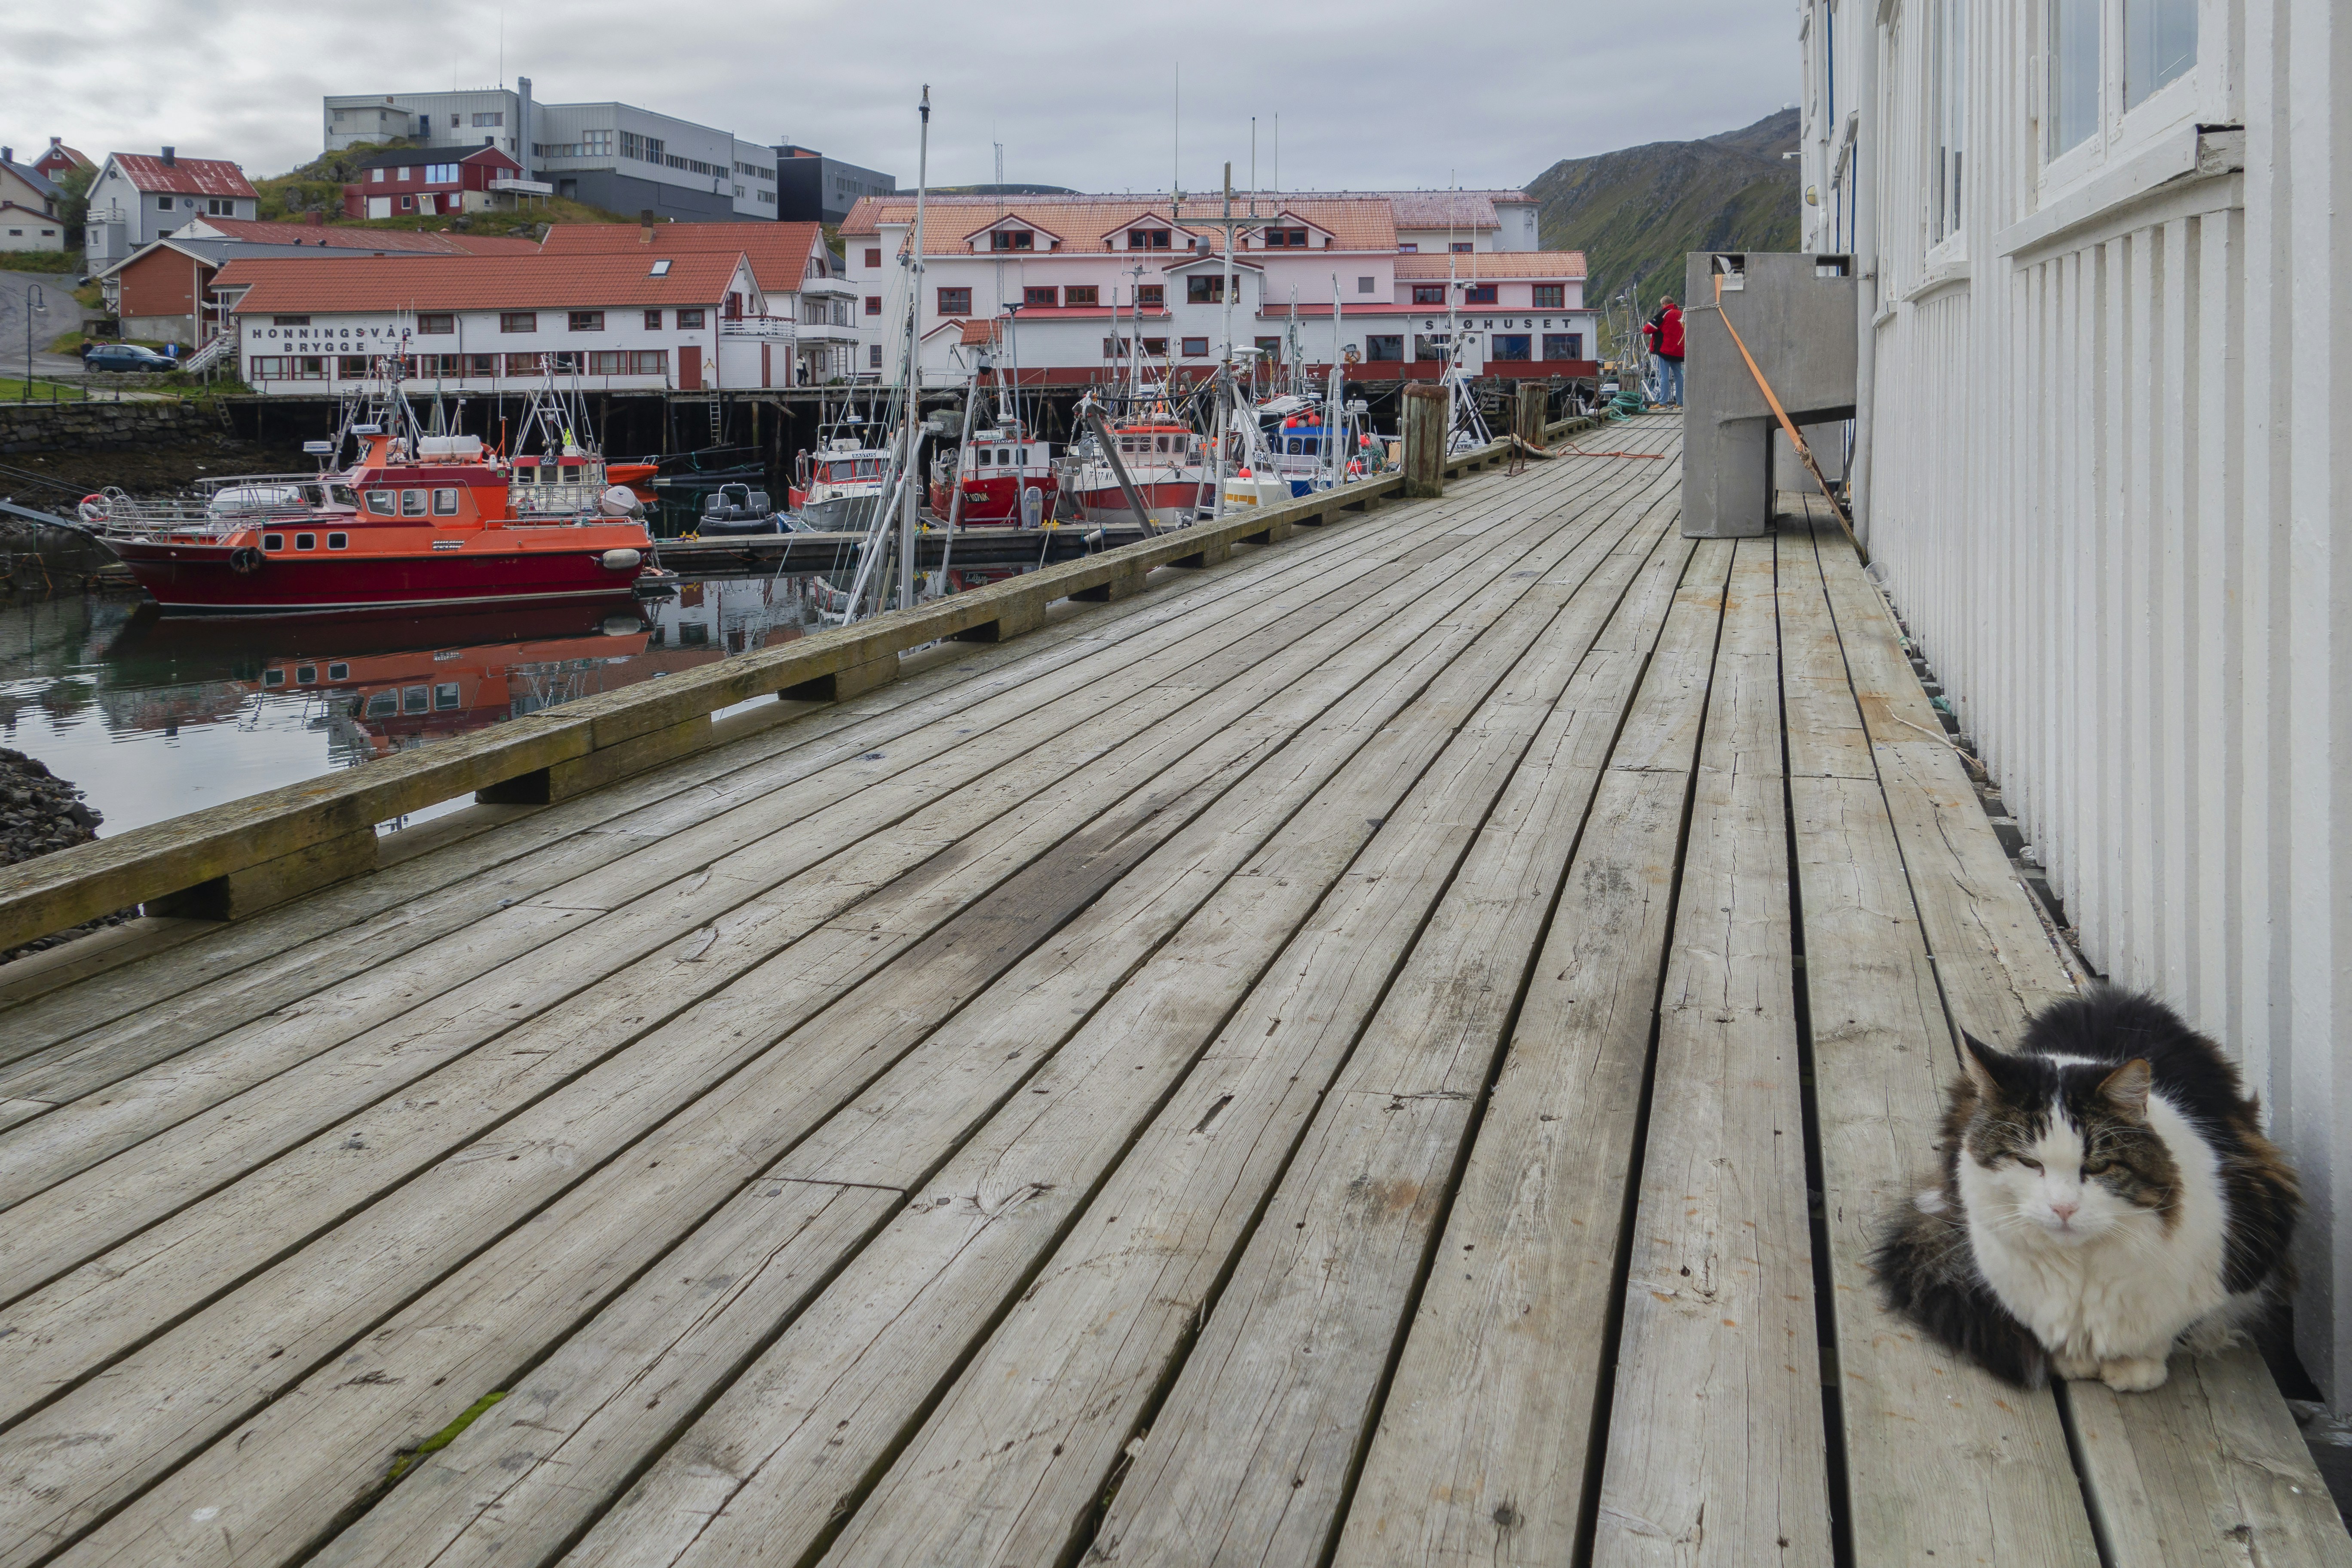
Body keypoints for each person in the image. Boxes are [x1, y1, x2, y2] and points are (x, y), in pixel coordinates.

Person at [1642, 297, 1686, 407]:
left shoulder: (1665, 313)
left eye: (1662, 305)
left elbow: (1648, 329)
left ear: (1665, 304)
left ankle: (1663, 403)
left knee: (1664, 376)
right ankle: (1680, 403)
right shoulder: (1682, 314)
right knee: (1679, 376)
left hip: (1665, 350)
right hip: (1678, 350)